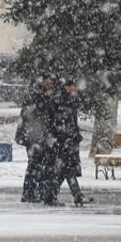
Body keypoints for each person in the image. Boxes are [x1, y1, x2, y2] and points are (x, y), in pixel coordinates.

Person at [18, 73, 60, 204]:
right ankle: (30, 193)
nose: (50, 85)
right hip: (34, 136)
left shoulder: (46, 95)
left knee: (43, 165)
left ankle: (39, 192)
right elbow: (31, 114)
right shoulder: (36, 95)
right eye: (48, 82)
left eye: (52, 83)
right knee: (35, 164)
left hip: (42, 135)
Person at [54, 78, 91, 206]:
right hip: (66, 141)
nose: (76, 89)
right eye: (74, 86)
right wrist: (71, 135)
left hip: (68, 140)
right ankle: (77, 196)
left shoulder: (69, 100)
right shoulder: (64, 101)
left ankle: (51, 195)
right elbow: (63, 122)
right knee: (67, 170)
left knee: (64, 171)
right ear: (67, 87)